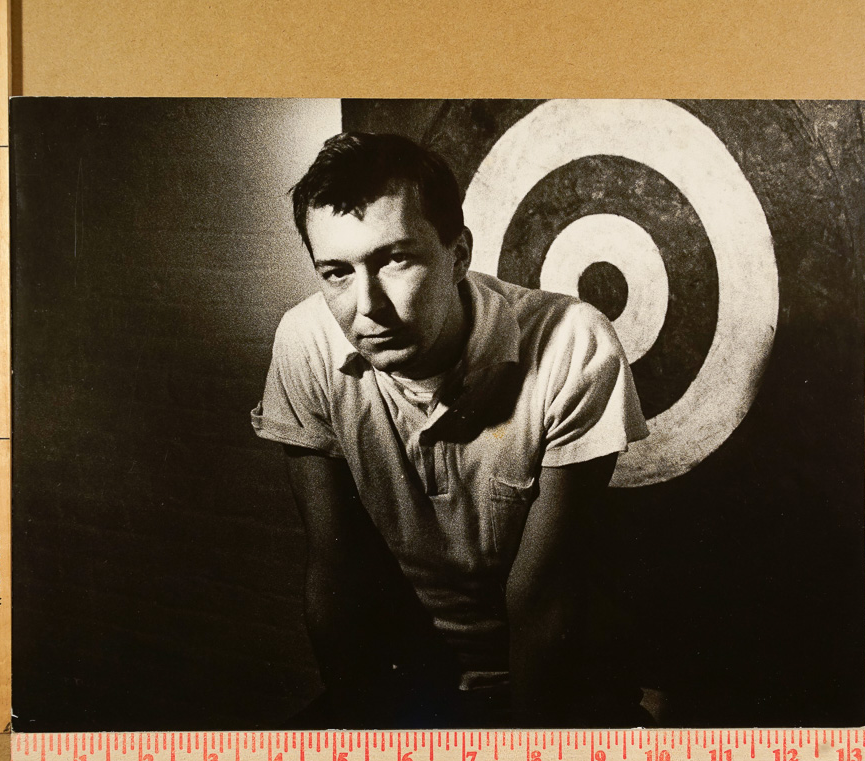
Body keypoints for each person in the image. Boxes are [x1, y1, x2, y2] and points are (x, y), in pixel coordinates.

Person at [251, 132, 649, 727]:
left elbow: (544, 594)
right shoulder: (305, 340)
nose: (368, 307)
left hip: (556, 679)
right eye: (336, 273)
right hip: (406, 679)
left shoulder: (572, 340)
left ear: (458, 254)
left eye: (395, 259)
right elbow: (336, 572)